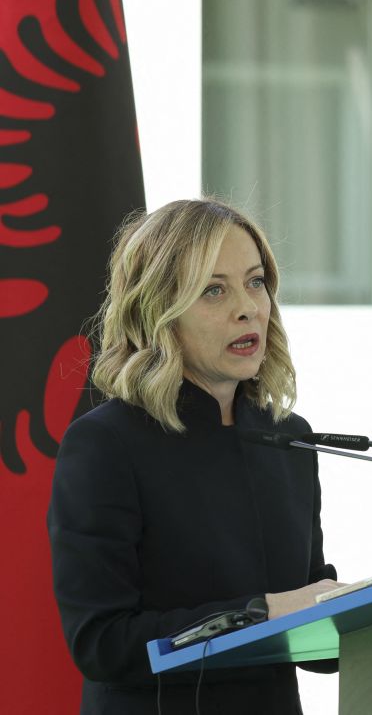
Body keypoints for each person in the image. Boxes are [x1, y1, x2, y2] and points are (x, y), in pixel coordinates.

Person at [48, 199, 342, 714]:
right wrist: (264, 614)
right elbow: (102, 643)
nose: (247, 307)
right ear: (159, 311)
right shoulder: (106, 445)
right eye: (214, 290)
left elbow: (311, 638)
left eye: (255, 282)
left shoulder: (289, 439)